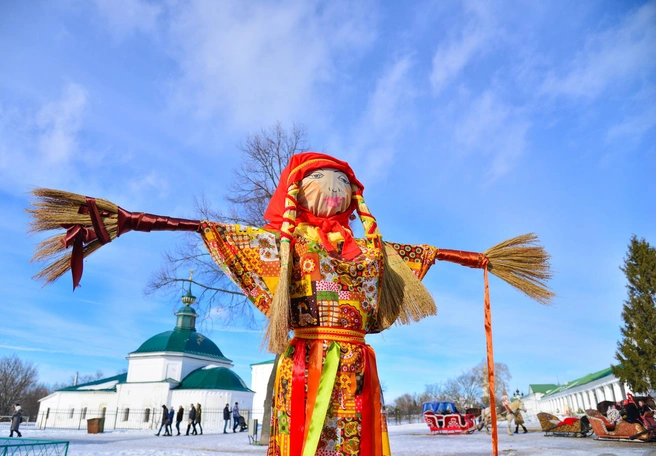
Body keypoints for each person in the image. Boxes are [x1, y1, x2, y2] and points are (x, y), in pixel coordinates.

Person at [30, 152, 554, 456]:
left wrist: (482, 261)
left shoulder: (374, 252)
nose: (334, 191)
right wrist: (139, 220)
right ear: (298, 193)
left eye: (342, 184)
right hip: (305, 365)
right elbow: (206, 227)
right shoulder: (284, 246)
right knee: (305, 435)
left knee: (356, 441)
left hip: (357, 365)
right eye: (322, 183)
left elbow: (431, 253)